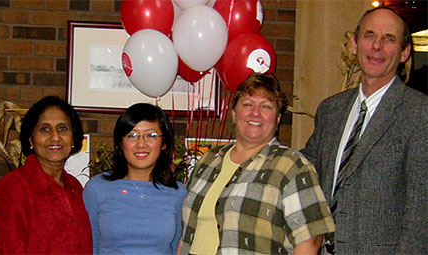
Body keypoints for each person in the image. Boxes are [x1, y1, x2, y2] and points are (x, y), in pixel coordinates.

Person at [301, 6, 428, 254]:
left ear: (404, 52)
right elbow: (305, 170)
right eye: (369, 36)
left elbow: (420, 213)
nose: (377, 46)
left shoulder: (419, 113)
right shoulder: (331, 110)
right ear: (354, 45)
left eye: (388, 39)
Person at [180, 73, 335, 255]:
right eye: (247, 104)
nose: (255, 113)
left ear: (277, 119)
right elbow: (187, 233)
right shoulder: (209, 160)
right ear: (234, 113)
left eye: (266, 107)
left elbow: (310, 240)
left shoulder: (292, 166)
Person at [0, 96, 92, 254]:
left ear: (73, 137)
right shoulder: (12, 188)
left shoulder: (75, 187)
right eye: (45, 129)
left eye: (63, 128)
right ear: (31, 139)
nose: (55, 137)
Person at [83, 103, 187, 254]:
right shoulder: (97, 188)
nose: (141, 144)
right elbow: (90, 247)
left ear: (164, 143)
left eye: (151, 135)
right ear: (121, 142)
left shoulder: (178, 193)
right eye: (132, 135)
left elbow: (177, 248)